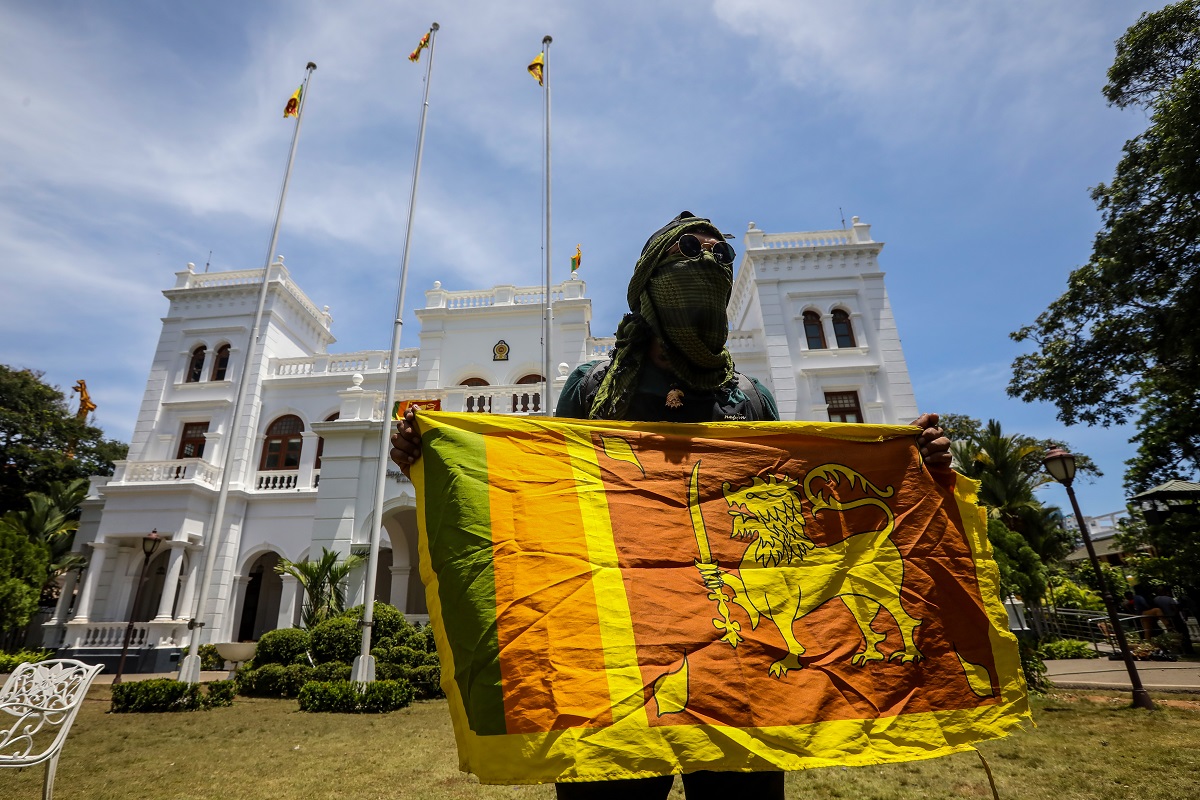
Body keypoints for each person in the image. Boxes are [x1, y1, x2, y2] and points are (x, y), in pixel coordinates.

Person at [391, 211, 953, 800]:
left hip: (736, 641)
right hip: (617, 642)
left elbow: (794, 493)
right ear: (651, 281)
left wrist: (916, 466)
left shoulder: (749, 398)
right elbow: (544, 493)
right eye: (691, 249)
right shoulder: (592, 387)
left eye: (722, 255)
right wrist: (429, 463)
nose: (710, 261)